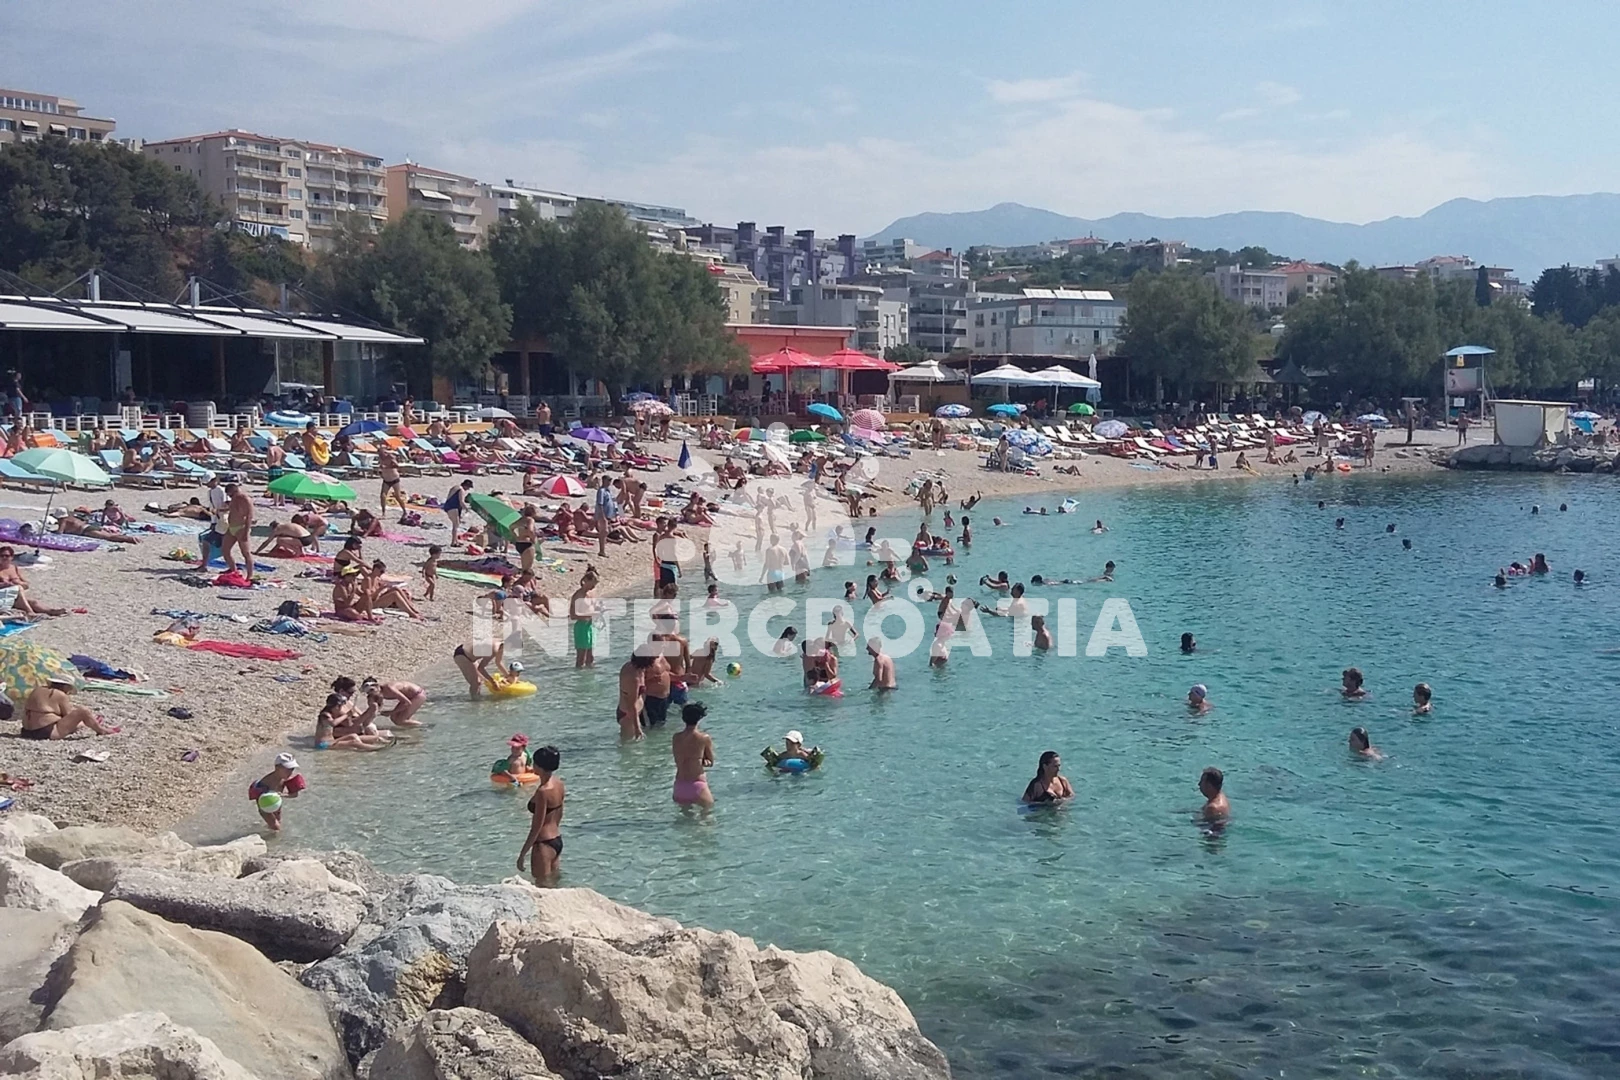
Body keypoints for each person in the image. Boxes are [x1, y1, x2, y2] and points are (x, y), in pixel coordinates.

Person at [517, 745, 565, 884]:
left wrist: (522, 854)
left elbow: (536, 827)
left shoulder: (542, 792)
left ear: (540, 767)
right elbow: (560, 812)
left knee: (542, 886)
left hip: (543, 844)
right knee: (555, 884)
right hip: (557, 839)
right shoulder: (559, 783)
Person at [21, 675, 119, 739]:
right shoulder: (60, 695)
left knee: (80, 718)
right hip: (46, 732)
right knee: (83, 711)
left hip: (26, 731)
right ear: (66, 686)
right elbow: (68, 716)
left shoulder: (37, 690)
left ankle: (90, 722)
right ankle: (101, 730)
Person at [671, 702, 716, 808]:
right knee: (708, 814)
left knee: (684, 816)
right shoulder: (704, 738)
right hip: (697, 784)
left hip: (679, 786)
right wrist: (705, 761)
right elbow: (710, 762)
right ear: (699, 718)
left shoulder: (676, 738)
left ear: (683, 718)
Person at [248, 753, 304, 831]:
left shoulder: (286, 779)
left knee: (277, 823)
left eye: (292, 769)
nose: (290, 772)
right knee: (276, 827)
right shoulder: (266, 783)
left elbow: (295, 795)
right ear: (277, 768)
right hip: (265, 807)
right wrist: (268, 809)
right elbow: (260, 803)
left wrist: (282, 795)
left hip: (276, 804)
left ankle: (267, 831)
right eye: (287, 769)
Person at [221, 481, 254, 583]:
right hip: (231, 527)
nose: (230, 497)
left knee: (246, 553)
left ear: (235, 491)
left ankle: (250, 576)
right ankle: (233, 570)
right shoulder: (233, 499)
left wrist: (246, 532)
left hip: (241, 528)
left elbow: (249, 516)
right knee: (225, 550)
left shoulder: (245, 499)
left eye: (231, 495)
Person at [362, 676, 427, 726]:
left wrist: (390, 712)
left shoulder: (389, 688)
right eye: (368, 692)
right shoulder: (376, 694)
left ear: (377, 686)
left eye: (372, 690)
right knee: (394, 718)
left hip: (418, 695)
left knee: (400, 721)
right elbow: (375, 709)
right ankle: (411, 727)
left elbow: (407, 703)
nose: (371, 693)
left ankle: (424, 726)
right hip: (408, 698)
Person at [618, 654, 651, 740]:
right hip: (629, 715)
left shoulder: (637, 668)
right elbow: (631, 705)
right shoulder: (633, 678)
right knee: (627, 744)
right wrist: (637, 728)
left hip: (636, 712)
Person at [570, 571, 599, 668]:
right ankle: (579, 674)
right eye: (592, 584)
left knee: (591, 657)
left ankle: (590, 675)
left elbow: (594, 607)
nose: (593, 587)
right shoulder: (578, 595)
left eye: (595, 584)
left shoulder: (592, 593)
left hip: (591, 625)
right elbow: (573, 615)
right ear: (586, 581)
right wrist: (588, 615)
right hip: (582, 626)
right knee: (581, 657)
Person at [593, 475, 618, 558]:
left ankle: (602, 550)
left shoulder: (608, 491)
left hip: (608, 514)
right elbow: (600, 504)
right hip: (602, 515)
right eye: (608, 480)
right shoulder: (601, 491)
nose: (609, 482)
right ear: (604, 480)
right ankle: (602, 551)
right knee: (604, 532)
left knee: (605, 532)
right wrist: (603, 516)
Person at [443, 479, 473, 545]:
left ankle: (456, 541)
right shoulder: (461, 490)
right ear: (466, 485)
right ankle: (453, 542)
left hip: (448, 506)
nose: (468, 489)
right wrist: (467, 509)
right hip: (453, 507)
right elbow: (461, 502)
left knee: (456, 523)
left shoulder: (455, 487)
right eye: (468, 487)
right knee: (456, 525)